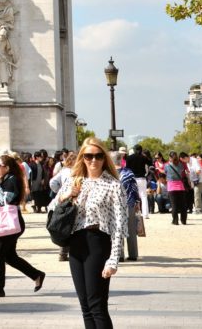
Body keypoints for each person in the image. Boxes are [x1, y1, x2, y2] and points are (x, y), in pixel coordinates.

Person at [56, 137, 127, 329]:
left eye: (98, 156)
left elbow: (120, 224)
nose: (93, 160)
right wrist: (69, 194)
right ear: (82, 158)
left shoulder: (113, 185)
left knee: (97, 305)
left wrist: (114, 259)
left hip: (98, 241)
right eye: (88, 156)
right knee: (85, 306)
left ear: (105, 158)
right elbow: (54, 206)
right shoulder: (74, 181)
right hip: (76, 242)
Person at [0, 154, 45, 298]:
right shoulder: (0, 179)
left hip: (9, 222)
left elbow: (6, 201)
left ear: (7, 168)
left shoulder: (13, 180)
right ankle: (37, 275)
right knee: (9, 256)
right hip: (4, 222)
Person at [112, 151, 140, 261]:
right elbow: (134, 188)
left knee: (117, 228)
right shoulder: (128, 173)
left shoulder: (108, 173)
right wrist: (137, 202)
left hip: (114, 204)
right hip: (129, 203)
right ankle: (133, 254)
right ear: (121, 160)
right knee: (131, 229)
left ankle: (119, 254)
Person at [125, 145, 149, 219]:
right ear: (141, 150)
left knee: (132, 196)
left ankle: (134, 213)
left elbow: (127, 169)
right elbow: (150, 164)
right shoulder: (144, 158)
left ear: (134, 150)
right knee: (144, 196)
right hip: (142, 178)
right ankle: (145, 214)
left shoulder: (129, 158)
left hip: (132, 178)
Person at [164, 152, 188, 226]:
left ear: (170, 158)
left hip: (171, 186)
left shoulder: (166, 165)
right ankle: (183, 220)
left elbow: (165, 173)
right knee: (183, 205)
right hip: (180, 186)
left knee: (174, 205)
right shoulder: (181, 164)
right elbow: (183, 172)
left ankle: (175, 221)